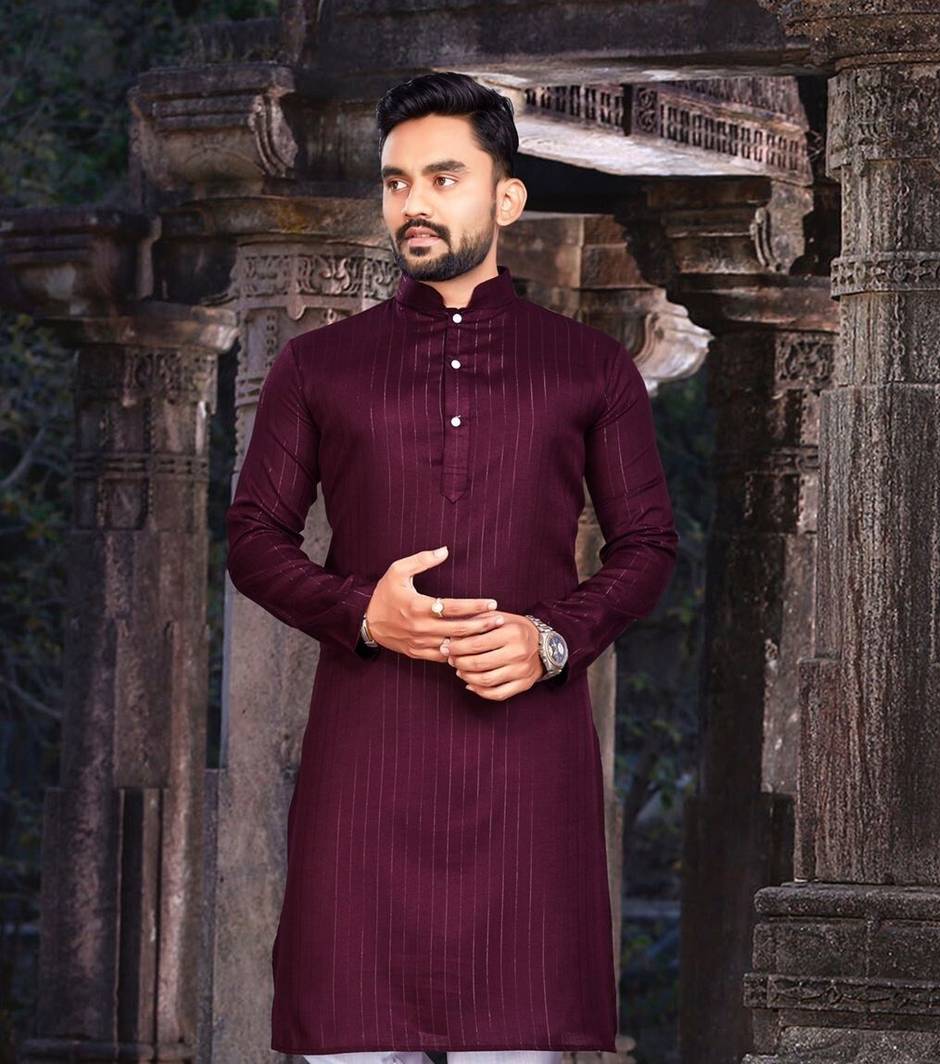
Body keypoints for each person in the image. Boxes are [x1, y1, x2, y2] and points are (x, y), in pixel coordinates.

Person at [225, 70, 678, 1064]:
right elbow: (253, 536)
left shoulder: (589, 367)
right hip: (366, 768)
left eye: (442, 177)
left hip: (526, 773)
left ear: (506, 198)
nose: (413, 204)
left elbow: (648, 545)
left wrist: (550, 638)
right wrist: (361, 611)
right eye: (395, 182)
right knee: (346, 1036)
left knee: (515, 1040)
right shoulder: (316, 366)